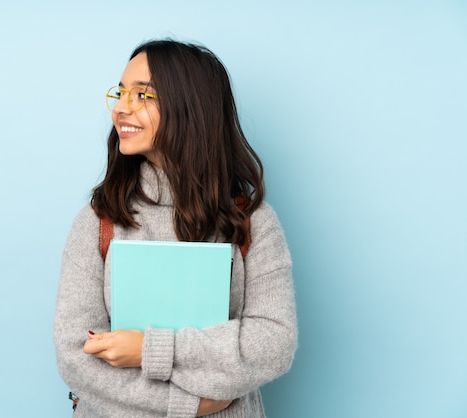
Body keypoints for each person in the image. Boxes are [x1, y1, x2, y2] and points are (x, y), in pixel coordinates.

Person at [54, 39, 297, 417]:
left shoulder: (252, 221)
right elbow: (76, 354)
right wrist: (190, 405)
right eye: (121, 93)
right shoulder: (99, 219)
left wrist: (150, 350)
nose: (121, 107)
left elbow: (272, 342)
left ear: (190, 108)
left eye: (142, 95)